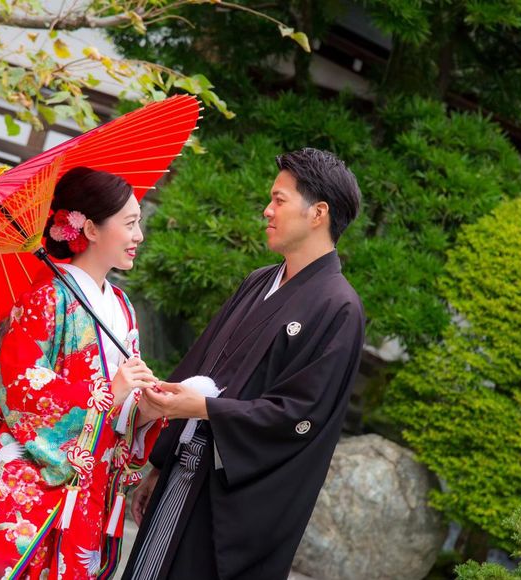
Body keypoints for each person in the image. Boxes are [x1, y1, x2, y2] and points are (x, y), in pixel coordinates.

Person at [124, 148, 365, 580]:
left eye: (279, 200)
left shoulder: (338, 307)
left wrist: (204, 408)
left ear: (318, 213)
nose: (267, 210)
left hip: (230, 501)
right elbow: (200, 362)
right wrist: (160, 463)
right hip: (184, 468)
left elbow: (300, 416)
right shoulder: (259, 281)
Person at [0, 167, 163, 578]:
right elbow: (19, 387)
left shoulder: (122, 307)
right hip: (32, 488)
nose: (139, 235)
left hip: (88, 488)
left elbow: (120, 408)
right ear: (91, 228)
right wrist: (109, 392)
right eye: (129, 224)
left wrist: (144, 411)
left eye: (138, 223)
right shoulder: (44, 297)